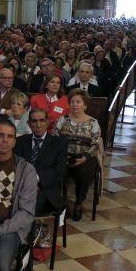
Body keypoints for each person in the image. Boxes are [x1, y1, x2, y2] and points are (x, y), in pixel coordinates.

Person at [0, 119, 38, 271]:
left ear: (15, 141)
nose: (5, 140)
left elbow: (26, 213)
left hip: (9, 229)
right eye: (0, 135)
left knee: (0, 267)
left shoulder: (26, 170)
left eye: (10, 137)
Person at [53, 89, 103, 220]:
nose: (74, 104)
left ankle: (79, 203)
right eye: (72, 102)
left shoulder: (93, 122)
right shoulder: (62, 120)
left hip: (85, 157)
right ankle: (62, 204)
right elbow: (54, 139)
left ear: (85, 105)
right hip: (64, 156)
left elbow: (96, 144)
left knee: (83, 174)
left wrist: (85, 157)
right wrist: (60, 156)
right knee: (58, 173)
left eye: (78, 102)